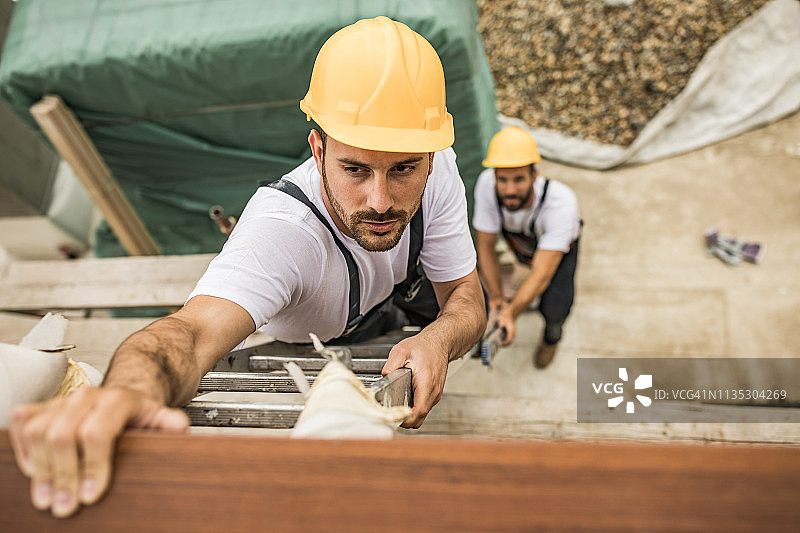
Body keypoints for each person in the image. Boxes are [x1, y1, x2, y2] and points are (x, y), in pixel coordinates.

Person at [9, 16, 486, 518]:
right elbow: (189, 336)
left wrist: (439, 338)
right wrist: (129, 391)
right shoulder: (283, 234)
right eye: (355, 169)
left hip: (388, 307)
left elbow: (465, 294)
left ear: (431, 155)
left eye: (404, 169)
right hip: (315, 341)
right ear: (318, 148)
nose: (380, 200)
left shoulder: (441, 168)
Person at [472, 126, 581, 368]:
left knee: (555, 306)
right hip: (522, 243)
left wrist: (510, 313)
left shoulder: (561, 204)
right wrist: (497, 298)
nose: (510, 190)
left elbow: (542, 274)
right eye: (503, 180)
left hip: (559, 252)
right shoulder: (486, 185)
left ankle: (551, 339)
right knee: (484, 287)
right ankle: (519, 297)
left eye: (519, 179)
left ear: (534, 176)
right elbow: (486, 245)